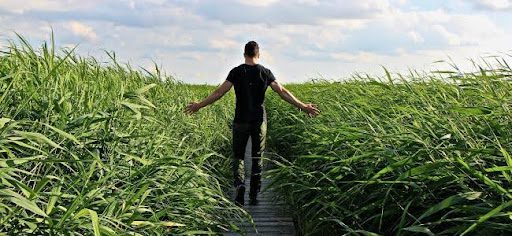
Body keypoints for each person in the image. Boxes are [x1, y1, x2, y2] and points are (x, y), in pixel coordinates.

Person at [184, 41, 320, 205]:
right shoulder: (265, 72)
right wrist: (303, 106)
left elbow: (219, 92)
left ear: (244, 54)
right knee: (257, 157)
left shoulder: (236, 72)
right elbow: (282, 92)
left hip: (240, 120)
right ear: (258, 54)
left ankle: (240, 185)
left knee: (239, 157)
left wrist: (199, 105)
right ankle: (254, 195)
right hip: (258, 121)